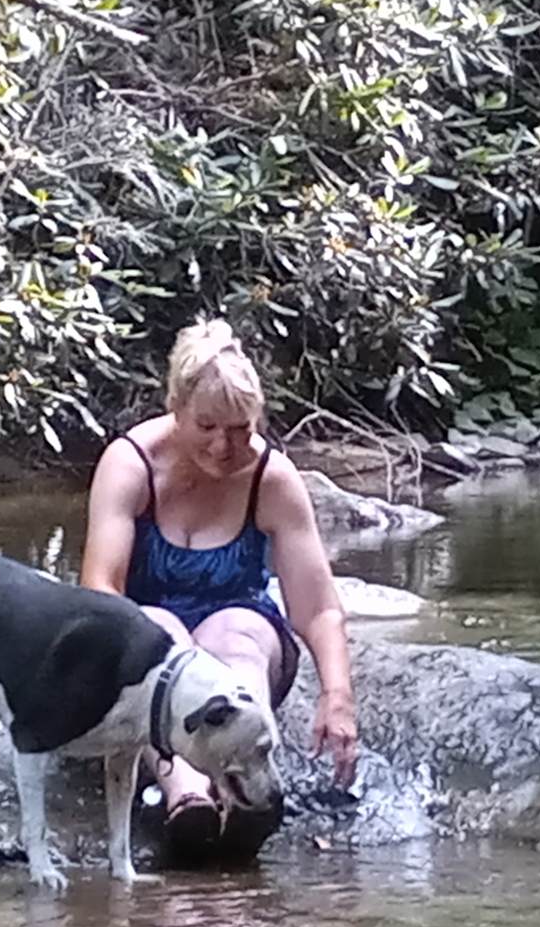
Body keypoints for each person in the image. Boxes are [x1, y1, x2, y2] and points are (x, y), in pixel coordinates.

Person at [82, 320, 360, 862]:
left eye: (240, 428)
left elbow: (319, 607)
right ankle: (185, 795)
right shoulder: (131, 463)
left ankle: (245, 795)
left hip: (242, 643)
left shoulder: (271, 478)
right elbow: (101, 589)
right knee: (159, 631)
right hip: (147, 658)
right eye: (207, 425)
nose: (224, 445)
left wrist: (337, 695)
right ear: (175, 407)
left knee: (234, 632)